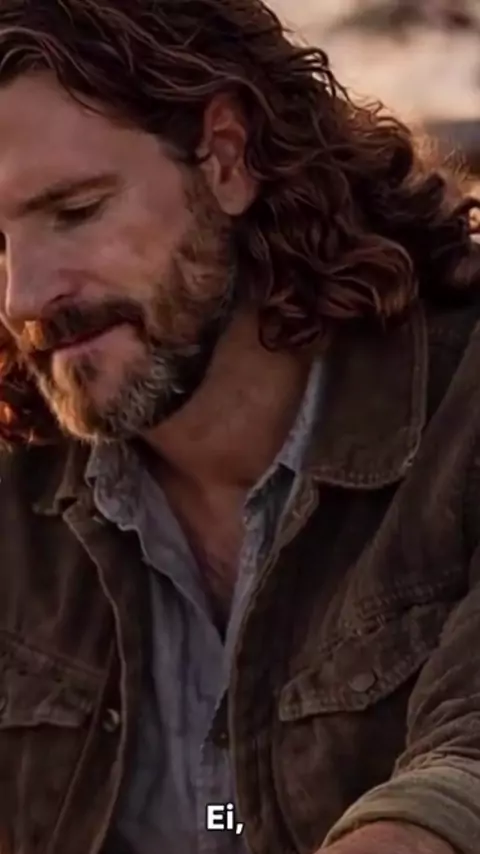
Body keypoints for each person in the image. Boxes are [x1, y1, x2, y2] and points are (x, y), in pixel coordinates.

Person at [0, 1, 480, 853]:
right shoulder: (18, 497)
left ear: (227, 158)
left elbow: (465, 762)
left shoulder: (460, 407)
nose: (24, 297)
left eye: (75, 211)